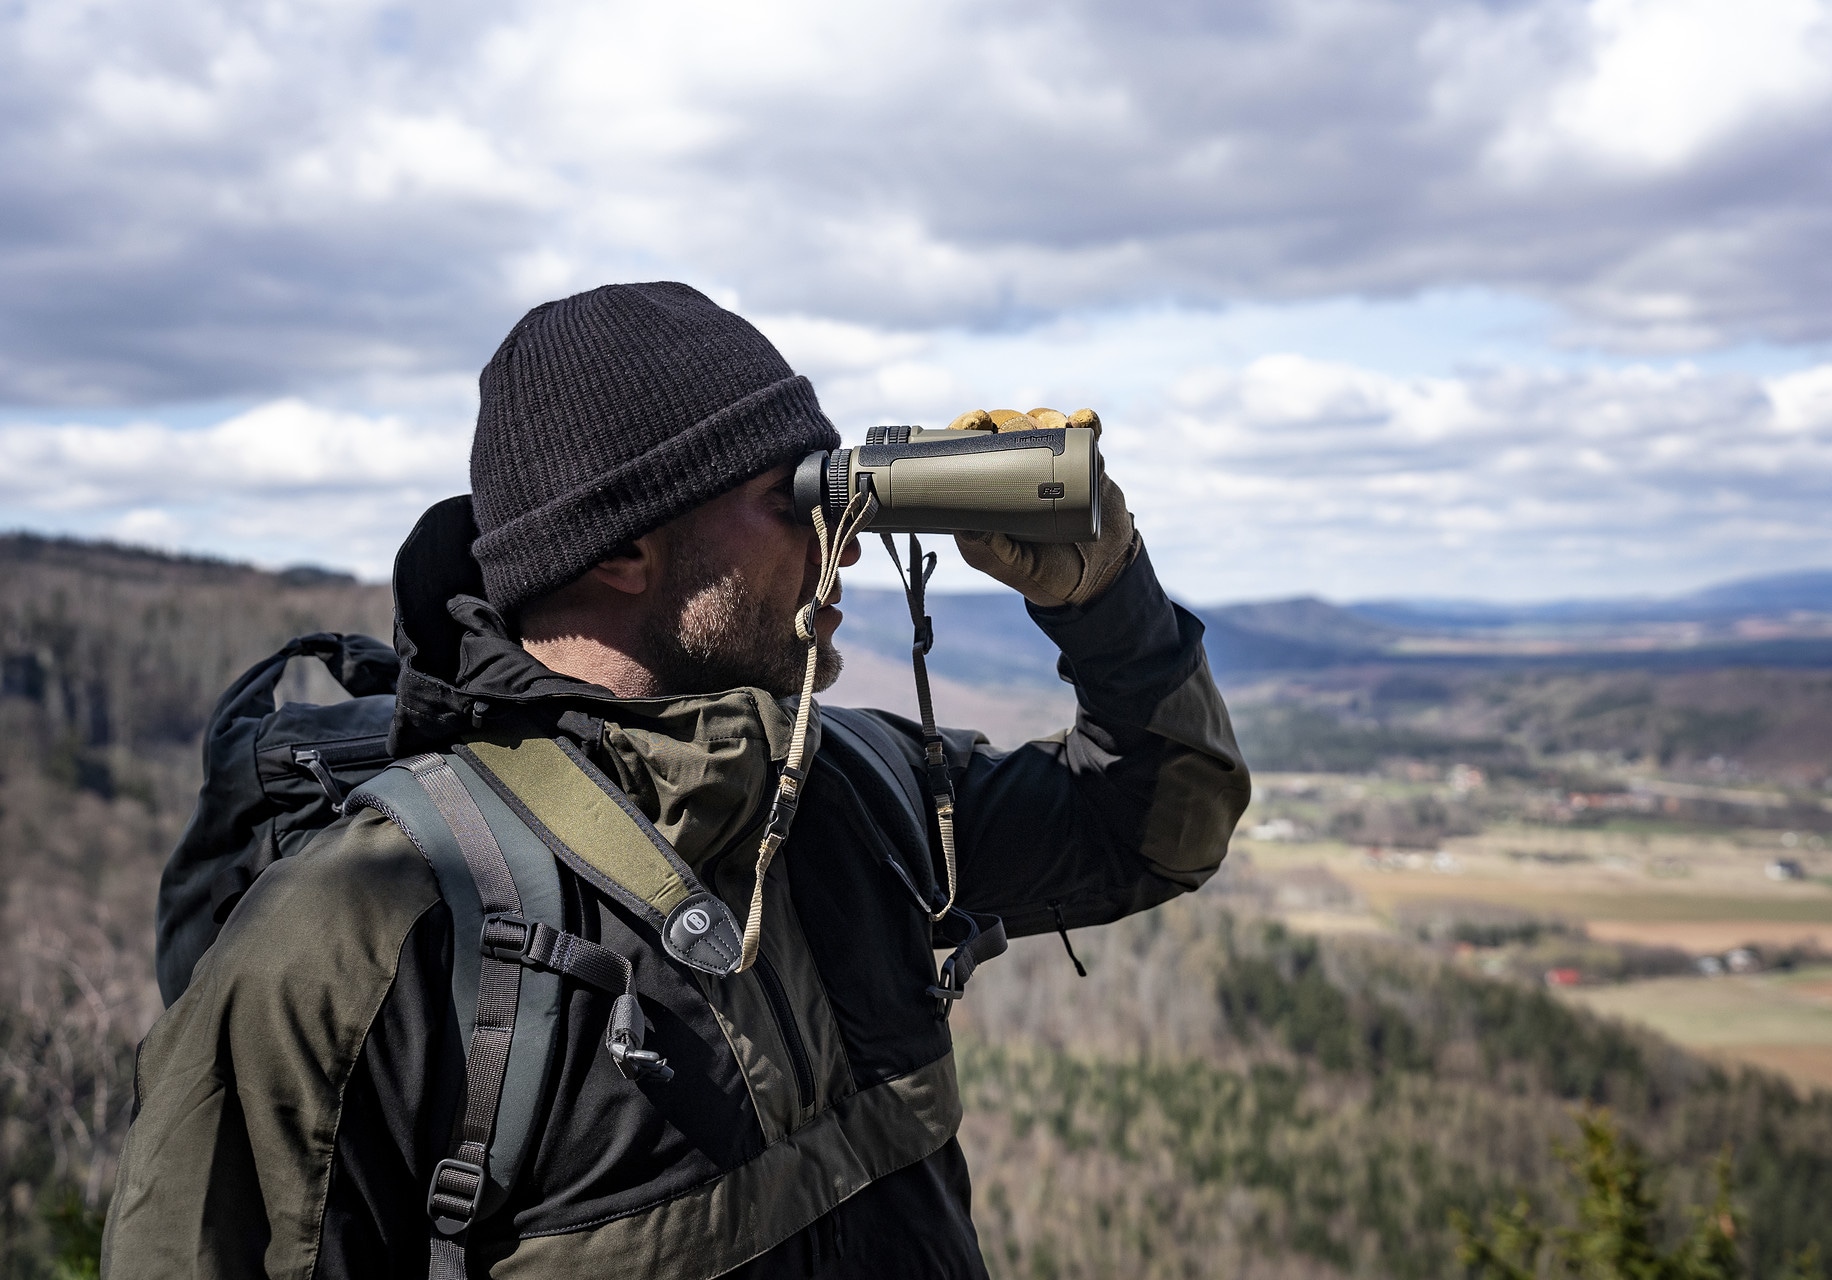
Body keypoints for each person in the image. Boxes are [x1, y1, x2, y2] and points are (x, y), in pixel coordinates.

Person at [102, 282, 1250, 1277]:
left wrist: (1105, 596)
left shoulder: (854, 790)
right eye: (790, 494)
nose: (840, 539)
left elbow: (1154, 828)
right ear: (623, 549)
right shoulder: (363, 933)